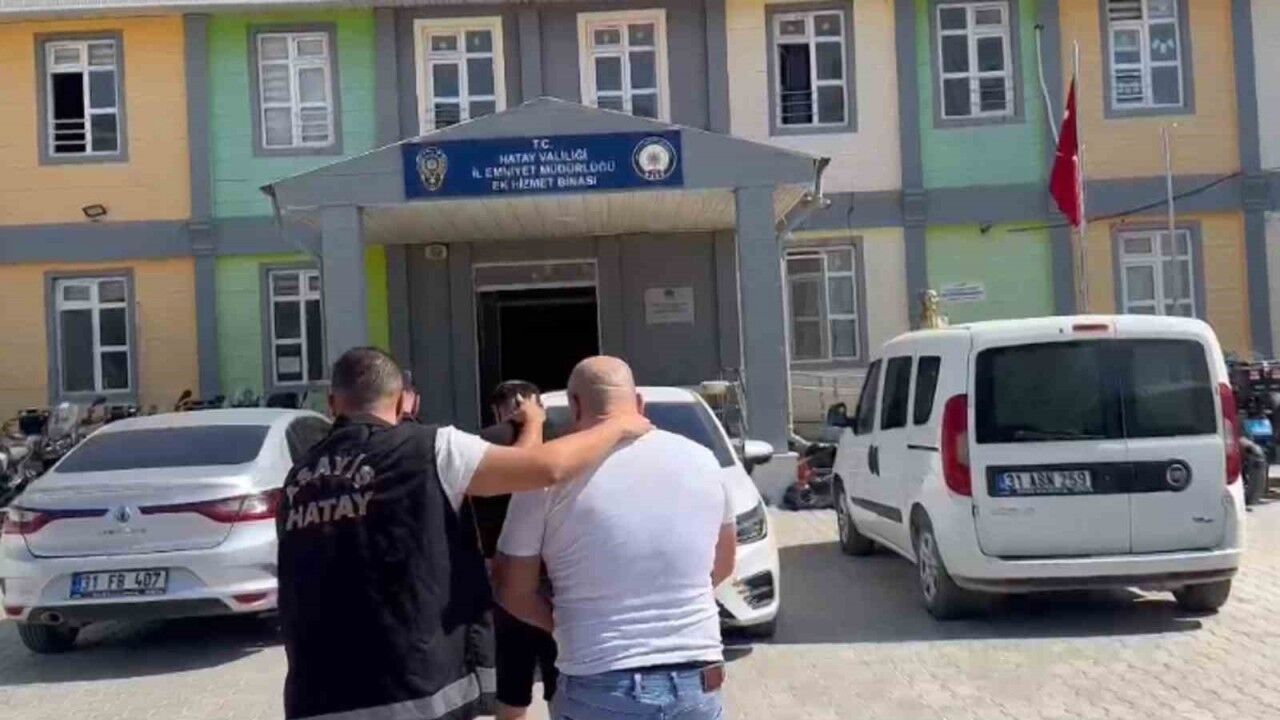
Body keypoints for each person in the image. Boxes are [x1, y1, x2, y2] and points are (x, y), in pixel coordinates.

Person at [276, 348, 650, 720]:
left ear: (332, 404)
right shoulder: (430, 448)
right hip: (411, 692)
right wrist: (614, 425)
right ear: (403, 400)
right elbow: (541, 468)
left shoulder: (299, 477)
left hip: (315, 697)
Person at [496, 356, 737, 720]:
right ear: (639, 402)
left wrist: (568, 625)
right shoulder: (704, 461)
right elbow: (723, 564)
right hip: (697, 680)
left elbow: (511, 588)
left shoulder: (547, 475)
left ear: (575, 406)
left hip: (598, 682)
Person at [471, 381, 560, 720]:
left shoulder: (485, 443)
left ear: (497, 410)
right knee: (561, 683)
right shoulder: (567, 439)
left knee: (511, 689)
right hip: (557, 576)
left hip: (504, 579)